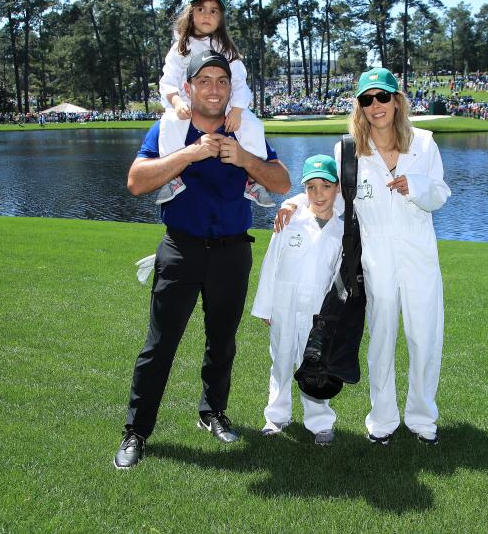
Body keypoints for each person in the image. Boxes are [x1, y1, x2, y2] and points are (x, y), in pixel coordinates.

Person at [114, 50, 292, 469]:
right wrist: (190, 155)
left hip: (232, 252)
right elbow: (136, 182)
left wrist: (245, 158)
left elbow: (281, 182)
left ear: (232, 89)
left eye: (222, 81)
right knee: (159, 346)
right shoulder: (171, 128)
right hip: (181, 249)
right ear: (189, 87)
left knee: (222, 342)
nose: (214, 88)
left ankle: (212, 412)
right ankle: (136, 431)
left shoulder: (244, 131)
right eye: (205, 81)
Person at [277, 67, 450, 445]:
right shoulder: (348, 150)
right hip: (375, 256)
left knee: (425, 337)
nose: (376, 106)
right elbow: (329, 194)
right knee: (382, 338)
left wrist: (414, 186)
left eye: (383, 97)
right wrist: (293, 201)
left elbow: (440, 194)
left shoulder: (423, 144)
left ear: (397, 101)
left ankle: (422, 419)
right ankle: (382, 421)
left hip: (419, 251)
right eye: (367, 99)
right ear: (359, 105)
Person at [251, 154, 342, 446]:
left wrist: (335, 317)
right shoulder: (290, 221)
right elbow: (271, 263)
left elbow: (339, 277)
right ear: (303, 190)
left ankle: (320, 422)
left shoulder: (342, 229)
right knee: (281, 359)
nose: (318, 194)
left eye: (325, 186)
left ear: (337, 188)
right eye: (311, 188)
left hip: (318, 309)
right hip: (284, 303)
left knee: (315, 362)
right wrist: (266, 306)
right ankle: (276, 416)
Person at [155, 0, 273, 207]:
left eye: (213, 11)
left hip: (225, 104)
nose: (206, 15)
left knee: (253, 124)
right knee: (169, 123)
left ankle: (254, 181)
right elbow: (168, 81)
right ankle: (173, 177)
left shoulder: (226, 48)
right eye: (201, 9)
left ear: (221, 18)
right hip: (187, 105)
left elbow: (238, 81)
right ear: (191, 14)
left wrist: (237, 110)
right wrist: (177, 101)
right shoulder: (180, 48)